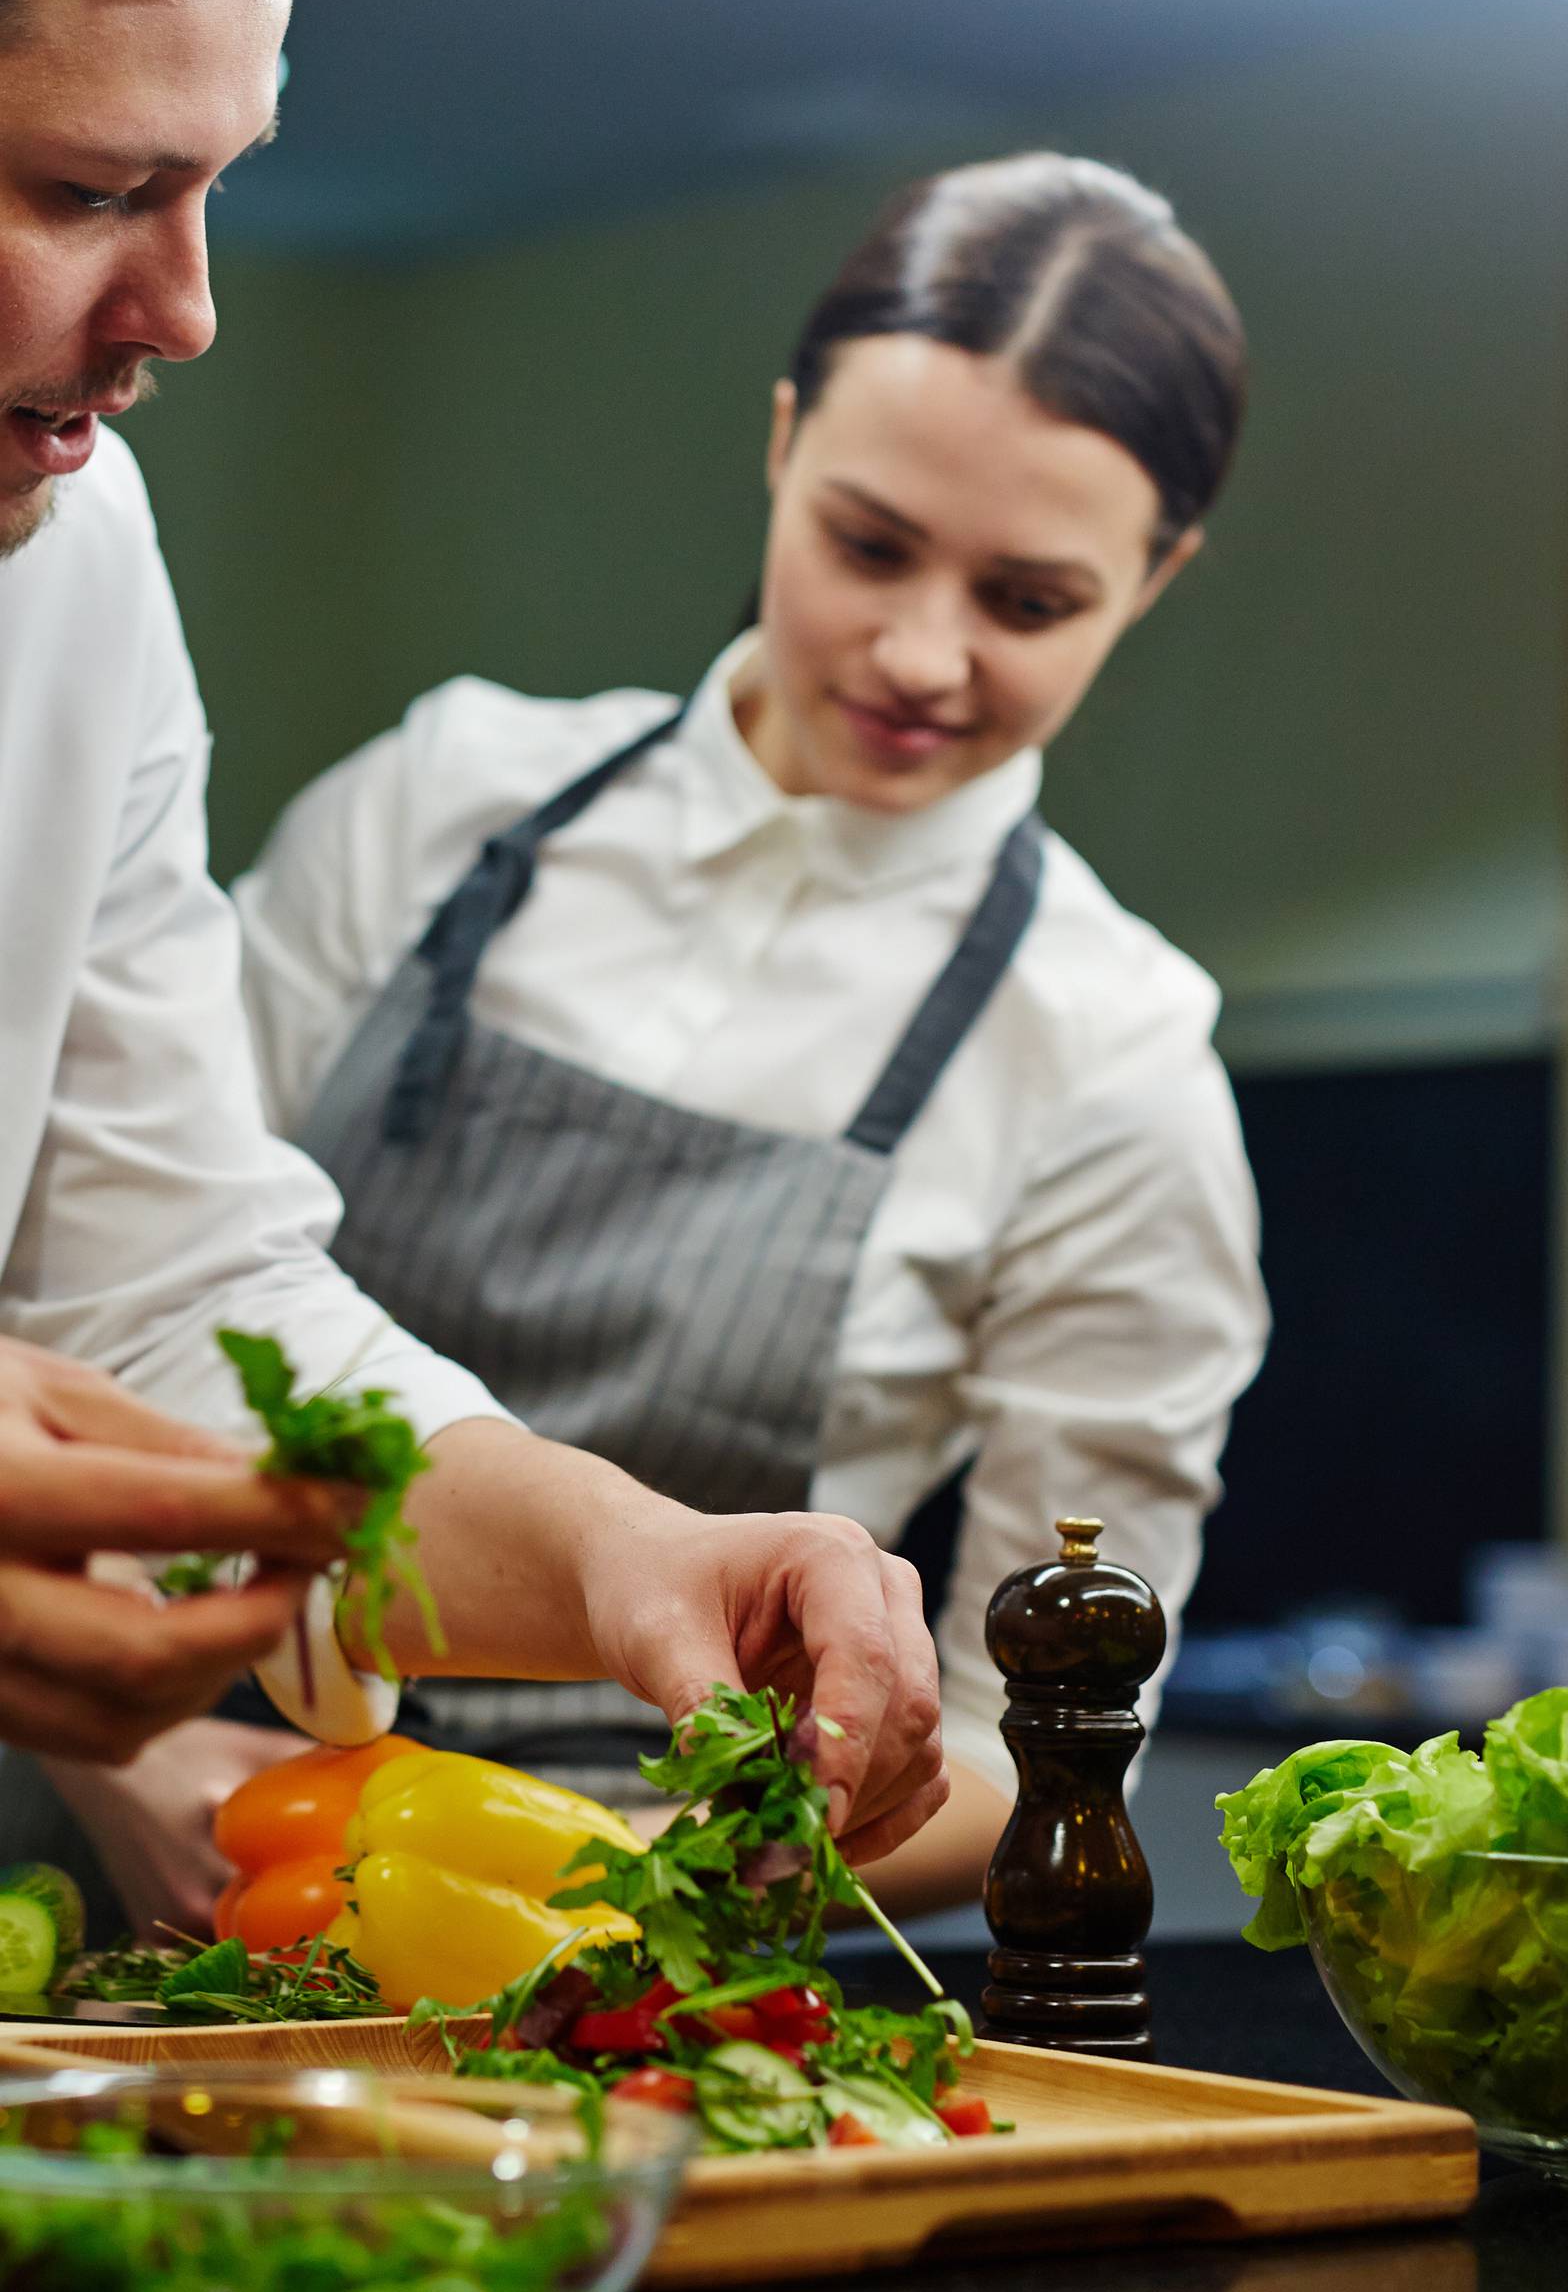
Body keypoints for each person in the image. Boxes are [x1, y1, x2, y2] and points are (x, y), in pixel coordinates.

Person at [0, 0, 943, 1943]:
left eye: (214, 186)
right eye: (82, 191)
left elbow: (170, 1286)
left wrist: (626, 1549)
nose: (188, 312)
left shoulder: (79, 556)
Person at [230, 151, 1271, 1916]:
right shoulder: (437, 806)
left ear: (1157, 576)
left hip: (639, 1925)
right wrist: (133, 1763)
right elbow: (117, 1288)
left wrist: (605, 1891)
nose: (921, 655)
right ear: (783, 441)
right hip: (144, 1795)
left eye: (1028, 602)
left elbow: (1055, 1739)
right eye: (868, 545)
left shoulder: (1113, 1053)